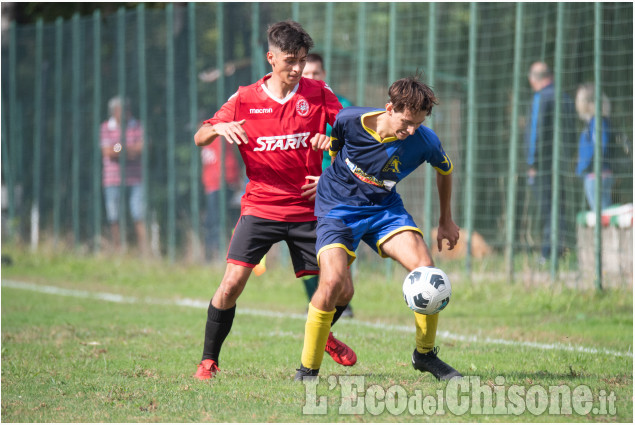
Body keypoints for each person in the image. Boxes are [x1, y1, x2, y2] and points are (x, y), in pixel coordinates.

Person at [192, 20, 356, 380]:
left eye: (302, 60)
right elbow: (199, 137)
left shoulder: (317, 93)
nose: (297, 69)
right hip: (261, 207)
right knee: (231, 284)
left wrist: (334, 156)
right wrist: (218, 127)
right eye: (290, 60)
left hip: (309, 210)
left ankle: (323, 334)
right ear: (271, 58)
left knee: (344, 287)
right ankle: (208, 360)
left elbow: (351, 133)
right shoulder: (245, 98)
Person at [295, 76, 462, 381]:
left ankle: (424, 355)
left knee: (428, 273)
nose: (411, 130)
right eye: (407, 122)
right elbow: (336, 150)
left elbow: (445, 171)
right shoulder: (349, 120)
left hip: (384, 209)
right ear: (389, 108)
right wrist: (331, 178)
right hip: (338, 210)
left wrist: (445, 220)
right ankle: (307, 371)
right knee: (333, 283)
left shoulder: (425, 140)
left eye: (418, 123)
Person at [301, 52, 354, 318]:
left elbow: (357, 147)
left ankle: (343, 299)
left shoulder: (341, 106)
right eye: (306, 73)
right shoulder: (292, 105)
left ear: (324, 75)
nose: (311, 78)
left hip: (336, 190)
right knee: (307, 252)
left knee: (339, 243)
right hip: (303, 190)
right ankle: (316, 301)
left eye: (316, 73)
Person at [524, 61, 576, 262]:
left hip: (543, 166)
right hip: (561, 164)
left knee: (547, 208)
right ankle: (559, 250)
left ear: (533, 78)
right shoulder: (564, 97)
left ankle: (548, 252)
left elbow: (535, 133)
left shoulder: (541, 98)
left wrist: (532, 164)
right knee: (558, 207)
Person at [100, 96, 146, 252]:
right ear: (114, 112)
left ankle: (143, 250)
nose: (125, 113)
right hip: (112, 179)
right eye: (121, 110)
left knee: (139, 214)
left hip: (136, 178)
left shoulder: (137, 126)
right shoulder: (106, 127)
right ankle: (118, 249)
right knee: (114, 216)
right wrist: (126, 149)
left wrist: (119, 148)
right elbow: (107, 151)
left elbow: (142, 148)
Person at [574, 83, 613, 211]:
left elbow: (601, 145)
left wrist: (592, 166)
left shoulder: (597, 122)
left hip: (596, 175)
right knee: (603, 211)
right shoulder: (593, 122)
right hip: (596, 174)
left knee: (601, 213)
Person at [201, 140, 241, 262]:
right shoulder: (206, 139)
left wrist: (231, 179)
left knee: (217, 221)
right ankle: (215, 253)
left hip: (221, 184)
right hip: (214, 184)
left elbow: (228, 159)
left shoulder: (218, 137)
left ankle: (218, 254)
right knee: (212, 221)